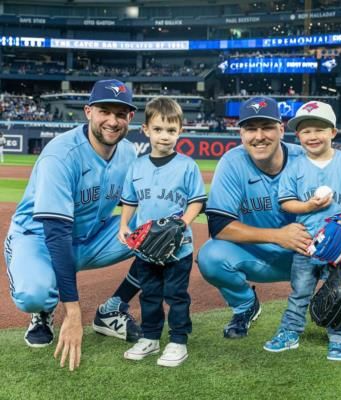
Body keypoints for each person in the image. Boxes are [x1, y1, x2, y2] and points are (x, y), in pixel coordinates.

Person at [197, 96, 341, 343]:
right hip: (260, 258)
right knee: (210, 257)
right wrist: (278, 236)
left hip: (316, 256)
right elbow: (218, 225)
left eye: (266, 127)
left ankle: (334, 302)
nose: (259, 136)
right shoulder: (232, 163)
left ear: (280, 129)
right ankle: (245, 306)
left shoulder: (308, 158)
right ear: (241, 133)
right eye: (250, 129)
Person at [3, 79, 144, 371]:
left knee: (166, 229)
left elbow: (142, 202)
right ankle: (43, 312)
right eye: (105, 110)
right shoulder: (61, 154)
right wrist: (73, 312)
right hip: (39, 239)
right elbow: (56, 234)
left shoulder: (129, 154)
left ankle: (112, 310)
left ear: (130, 117)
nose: (113, 120)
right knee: (33, 294)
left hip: (91, 237)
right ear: (88, 111)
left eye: (120, 113)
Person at [263, 101, 341, 361]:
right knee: (299, 291)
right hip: (307, 243)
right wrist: (309, 205)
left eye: (319, 130)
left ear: (333, 132)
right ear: (298, 135)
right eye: (306, 131)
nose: (312, 136)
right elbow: (286, 202)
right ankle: (290, 332)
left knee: (340, 291)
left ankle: (339, 336)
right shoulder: (294, 167)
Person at [118, 97, 207, 367]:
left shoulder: (187, 166)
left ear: (180, 131)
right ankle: (150, 337)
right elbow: (130, 200)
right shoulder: (137, 166)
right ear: (145, 130)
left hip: (178, 248)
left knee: (177, 295)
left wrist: (182, 224)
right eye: (158, 129)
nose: (164, 136)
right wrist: (124, 225)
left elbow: (197, 201)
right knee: (150, 295)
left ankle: (178, 340)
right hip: (146, 246)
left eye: (171, 130)